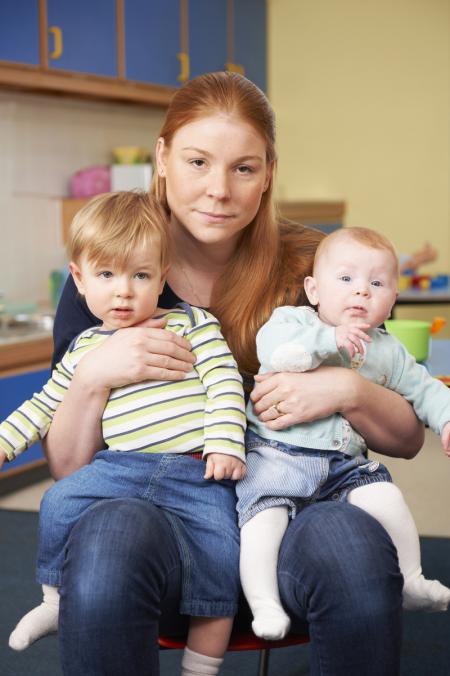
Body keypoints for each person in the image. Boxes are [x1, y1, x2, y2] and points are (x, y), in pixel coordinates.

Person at [43, 72, 424, 676]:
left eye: (244, 168)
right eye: (198, 161)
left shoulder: (325, 267)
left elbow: (406, 439)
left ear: (269, 172)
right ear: (162, 157)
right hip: (162, 524)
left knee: (352, 543)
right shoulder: (109, 276)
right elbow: (69, 468)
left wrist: (348, 388)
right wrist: (92, 376)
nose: (219, 190)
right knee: (106, 536)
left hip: (295, 511)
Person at [2, 191, 246, 676]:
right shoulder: (83, 350)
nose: (123, 292)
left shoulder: (194, 326)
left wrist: (223, 441)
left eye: (140, 275)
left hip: (193, 469)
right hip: (119, 468)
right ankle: (55, 599)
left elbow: (225, 384)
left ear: (163, 276)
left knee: (221, 548)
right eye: (107, 275)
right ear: (79, 279)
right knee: (58, 501)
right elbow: (43, 406)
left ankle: (202, 663)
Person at [238, 226, 450, 641]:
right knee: (262, 519)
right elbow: (276, 352)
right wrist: (328, 339)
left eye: (377, 284)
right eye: (347, 279)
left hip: (343, 465)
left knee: (386, 497)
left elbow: (426, 390)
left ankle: (411, 579)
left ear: (391, 301)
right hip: (277, 455)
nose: (362, 293)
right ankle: (264, 604)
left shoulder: (388, 350)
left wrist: (446, 419)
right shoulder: (294, 320)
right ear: (314, 290)